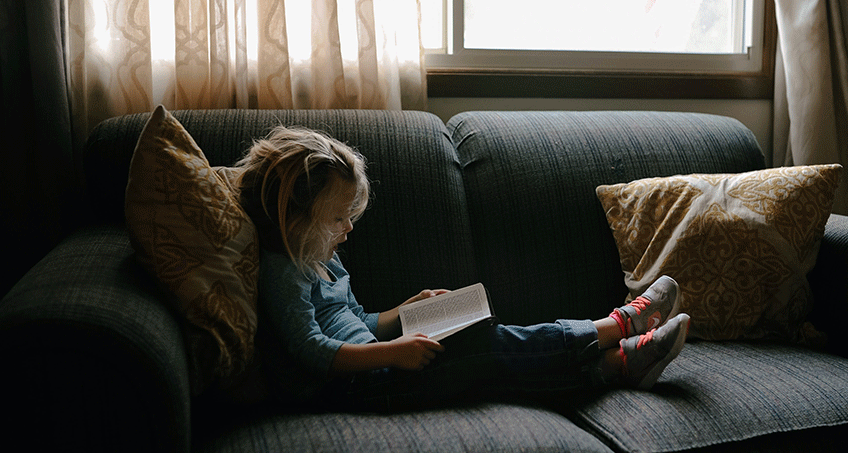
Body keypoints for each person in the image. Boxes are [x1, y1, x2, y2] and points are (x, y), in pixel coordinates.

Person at [237, 125, 690, 411]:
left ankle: (618, 364)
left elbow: (359, 322)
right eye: (337, 218)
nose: (349, 227)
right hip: (360, 386)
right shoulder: (283, 271)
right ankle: (619, 326)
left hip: (377, 364)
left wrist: (404, 311)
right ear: (295, 218)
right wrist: (395, 351)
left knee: (484, 343)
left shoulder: (322, 257)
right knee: (483, 348)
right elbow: (313, 350)